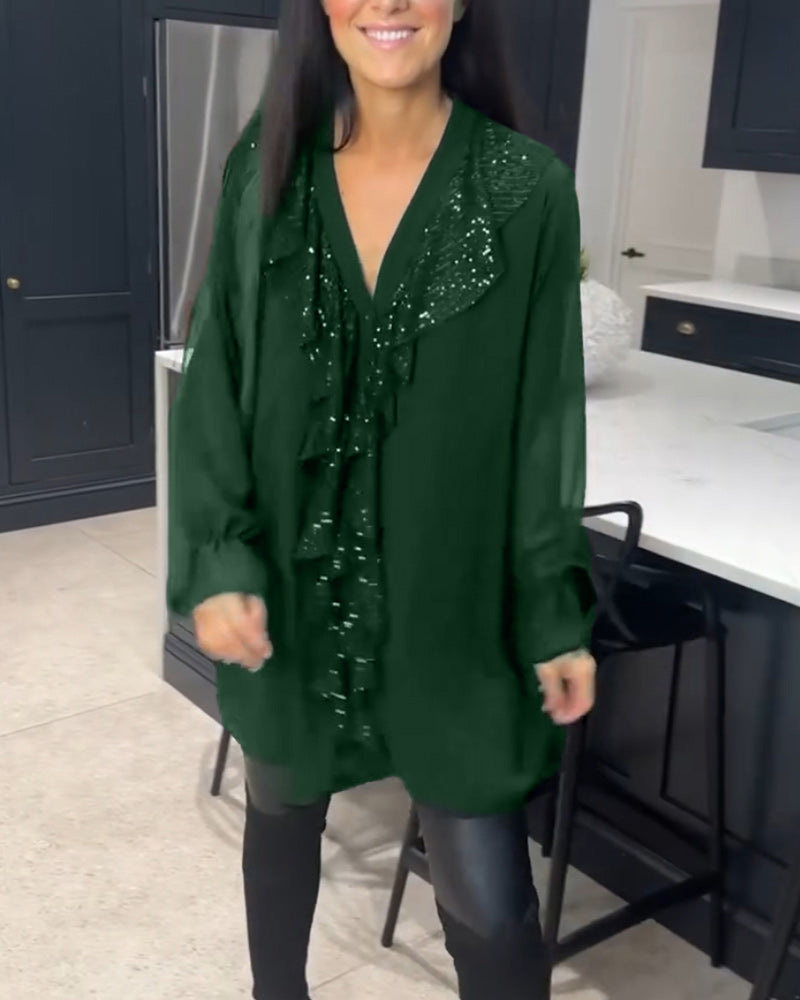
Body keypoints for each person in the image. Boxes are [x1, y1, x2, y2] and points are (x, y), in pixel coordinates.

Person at [167, 1, 598, 997]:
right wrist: (221, 556)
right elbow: (218, 380)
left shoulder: (525, 189)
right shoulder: (265, 172)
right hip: (290, 595)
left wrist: (551, 612)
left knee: (489, 905)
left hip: (453, 610)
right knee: (281, 810)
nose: (389, 2)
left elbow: (542, 425)